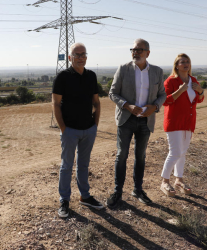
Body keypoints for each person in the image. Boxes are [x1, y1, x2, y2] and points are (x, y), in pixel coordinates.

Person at [107, 38, 166, 208]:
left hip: (145, 121)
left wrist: (154, 107)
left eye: (139, 50)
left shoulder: (157, 71)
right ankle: (118, 191)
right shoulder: (123, 69)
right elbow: (112, 93)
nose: (135, 52)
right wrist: (127, 105)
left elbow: (162, 95)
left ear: (148, 52)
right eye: (133, 49)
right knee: (121, 155)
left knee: (140, 156)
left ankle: (138, 190)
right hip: (126, 119)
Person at [52, 42, 104, 218]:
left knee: (83, 165)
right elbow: (56, 104)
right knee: (66, 166)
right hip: (70, 131)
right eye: (77, 55)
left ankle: (85, 196)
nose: (81, 57)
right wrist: (63, 128)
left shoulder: (91, 76)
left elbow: (96, 102)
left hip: (88, 130)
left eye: (83, 54)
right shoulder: (62, 77)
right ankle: (64, 201)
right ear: (70, 58)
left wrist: (95, 126)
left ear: (86, 57)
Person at [160, 53, 204, 197]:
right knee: (175, 152)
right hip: (174, 122)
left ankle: (178, 180)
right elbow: (165, 101)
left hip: (188, 122)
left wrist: (200, 91)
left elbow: (199, 100)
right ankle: (165, 181)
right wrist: (180, 91)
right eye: (182, 62)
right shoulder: (170, 81)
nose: (185, 64)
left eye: (187, 61)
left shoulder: (193, 80)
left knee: (183, 152)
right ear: (177, 66)